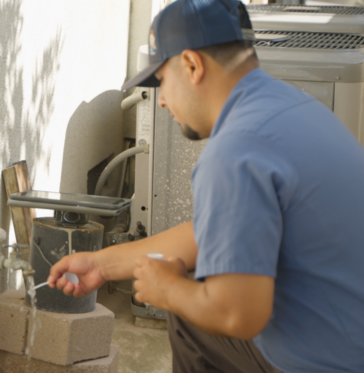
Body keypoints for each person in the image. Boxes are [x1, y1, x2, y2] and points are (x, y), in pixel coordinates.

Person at [47, 0, 364, 372]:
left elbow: (238, 314)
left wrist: (168, 291)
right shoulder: (293, 108)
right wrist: (102, 264)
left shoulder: (236, 151)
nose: (162, 100)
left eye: (161, 80)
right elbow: (212, 235)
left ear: (192, 65)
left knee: (191, 307)